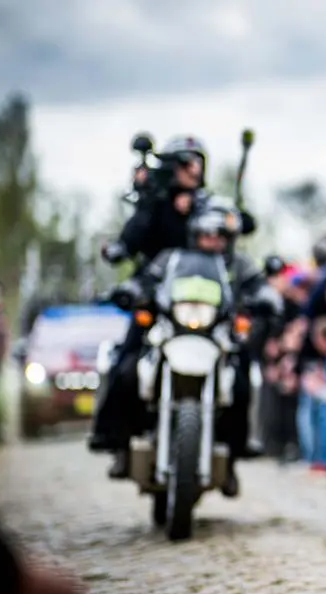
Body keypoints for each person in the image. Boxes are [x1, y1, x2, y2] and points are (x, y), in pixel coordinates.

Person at [91, 135, 255, 459]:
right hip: (157, 295)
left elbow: (242, 223)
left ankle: (237, 442)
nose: (193, 169)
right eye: (185, 162)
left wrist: (231, 217)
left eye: (197, 161)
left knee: (241, 358)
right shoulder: (153, 205)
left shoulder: (209, 204)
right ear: (170, 167)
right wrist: (121, 246)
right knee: (128, 357)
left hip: (206, 298)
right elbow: (131, 238)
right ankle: (112, 434)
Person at [103, 197, 280, 494]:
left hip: (218, 338)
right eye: (206, 233)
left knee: (240, 383)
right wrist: (133, 290)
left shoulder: (238, 263)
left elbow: (259, 285)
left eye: (219, 234)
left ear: (229, 237)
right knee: (129, 374)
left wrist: (267, 297)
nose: (213, 240)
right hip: (172, 332)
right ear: (194, 233)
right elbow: (148, 279)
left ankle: (233, 456)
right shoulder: (172, 258)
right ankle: (122, 446)